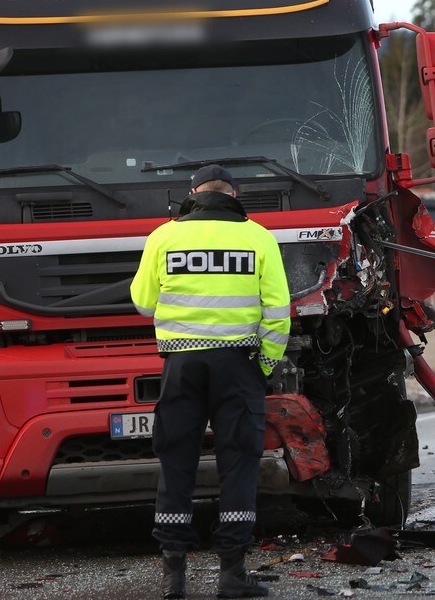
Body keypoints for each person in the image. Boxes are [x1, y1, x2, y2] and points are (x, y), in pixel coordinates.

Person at [130, 165, 290, 599]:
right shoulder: (258, 237)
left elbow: (143, 303)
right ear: (234, 195)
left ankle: (173, 577)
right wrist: (266, 365)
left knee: (176, 459)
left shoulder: (163, 237)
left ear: (192, 194)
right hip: (238, 366)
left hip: (181, 365)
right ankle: (232, 574)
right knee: (238, 461)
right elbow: (278, 310)